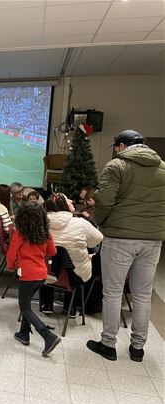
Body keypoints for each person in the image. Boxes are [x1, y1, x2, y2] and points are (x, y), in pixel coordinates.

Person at [87, 130, 165, 362]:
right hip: (152, 240)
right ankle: (137, 348)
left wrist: (99, 221)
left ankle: (108, 343)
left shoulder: (116, 166)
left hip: (120, 237)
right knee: (142, 294)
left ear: (122, 146)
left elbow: (104, 200)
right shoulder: (162, 168)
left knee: (112, 292)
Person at [6, 202, 61, 357]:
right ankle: (24, 333)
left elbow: (11, 255)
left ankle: (47, 336)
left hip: (27, 275)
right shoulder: (46, 234)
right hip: (41, 275)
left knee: (24, 307)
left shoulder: (20, 234)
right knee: (28, 304)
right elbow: (53, 251)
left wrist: (11, 267)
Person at [41, 193, 103, 315]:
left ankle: (46, 304)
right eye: (67, 199)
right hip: (75, 275)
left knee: (49, 260)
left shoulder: (41, 223)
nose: (71, 200)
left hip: (45, 272)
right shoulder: (81, 223)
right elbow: (97, 239)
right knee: (80, 262)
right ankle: (71, 308)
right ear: (63, 205)